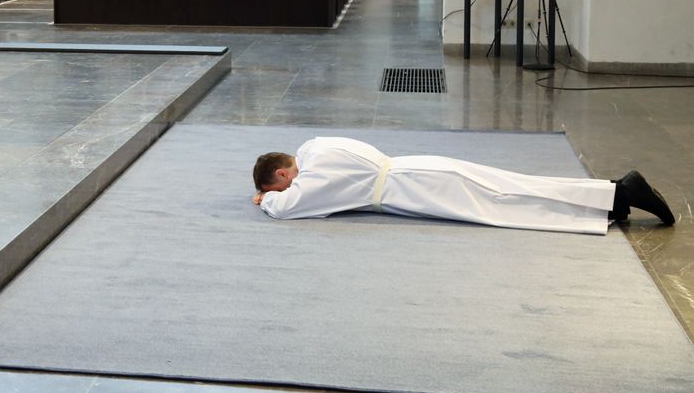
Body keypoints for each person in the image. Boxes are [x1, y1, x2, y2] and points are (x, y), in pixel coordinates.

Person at [251, 137, 675, 235]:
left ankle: (620, 192)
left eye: (280, 185)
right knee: (513, 189)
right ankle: (611, 204)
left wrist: (268, 200)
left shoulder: (314, 174)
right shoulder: (315, 146)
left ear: (285, 176)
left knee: (507, 204)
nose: (286, 190)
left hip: (417, 187)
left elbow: (287, 209)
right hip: (419, 168)